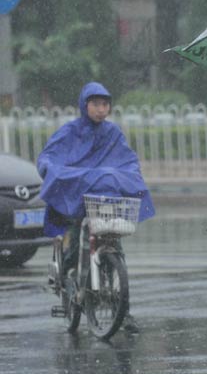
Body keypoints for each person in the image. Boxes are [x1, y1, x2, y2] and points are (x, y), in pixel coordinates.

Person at [38, 82, 155, 333]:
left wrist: (130, 174)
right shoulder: (69, 131)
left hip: (103, 201)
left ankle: (123, 312)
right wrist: (53, 169)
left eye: (105, 104)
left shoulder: (112, 134)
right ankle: (67, 277)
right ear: (84, 105)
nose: (101, 110)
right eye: (96, 104)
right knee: (72, 248)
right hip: (76, 199)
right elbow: (49, 157)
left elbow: (127, 160)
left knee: (115, 248)